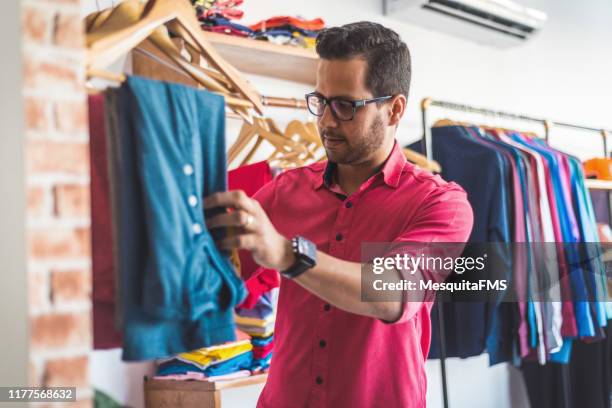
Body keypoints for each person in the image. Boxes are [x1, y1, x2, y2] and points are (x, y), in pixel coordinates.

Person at [205, 21, 473, 408]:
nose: (327, 121)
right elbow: (218, 278)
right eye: (321, 101)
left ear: (394, 109)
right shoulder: (285, 192)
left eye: (346, 106)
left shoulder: (440, 204)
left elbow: (392, 293)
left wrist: (286, 255)